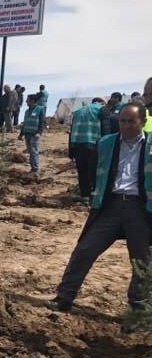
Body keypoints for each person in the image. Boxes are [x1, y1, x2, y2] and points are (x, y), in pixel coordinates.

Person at [49, 103, 150, 322]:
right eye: (122, 121)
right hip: (110, 206)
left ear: (142, 121)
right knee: (84, 249)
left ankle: (138, 308)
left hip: (139, 209)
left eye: (130, 121)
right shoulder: (106, 143)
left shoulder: (151, 145)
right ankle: (64, 297)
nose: (125, 126)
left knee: (141, 261)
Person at [68, 97, 103, 200]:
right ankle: (94, 194)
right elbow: (105, 126)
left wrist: (71, 150)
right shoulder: (100, 109)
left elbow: (71, 130)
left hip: (78, 143)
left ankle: (84, 194)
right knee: (93, 170)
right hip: (93, 143)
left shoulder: (78, 111)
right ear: (100, 102)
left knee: (82, 171)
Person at [20, 91, 46, 174]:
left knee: (34, 151)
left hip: (34, 134)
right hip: (27, 133)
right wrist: (21, 134)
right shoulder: (27, 111)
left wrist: (39, 132)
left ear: (32, 101)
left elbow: (42, 122)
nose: (26, 102)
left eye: (27, 100)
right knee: (30, 151)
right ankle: (32, 168)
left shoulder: (40, 109)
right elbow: (25, 123)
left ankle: (35, 168)